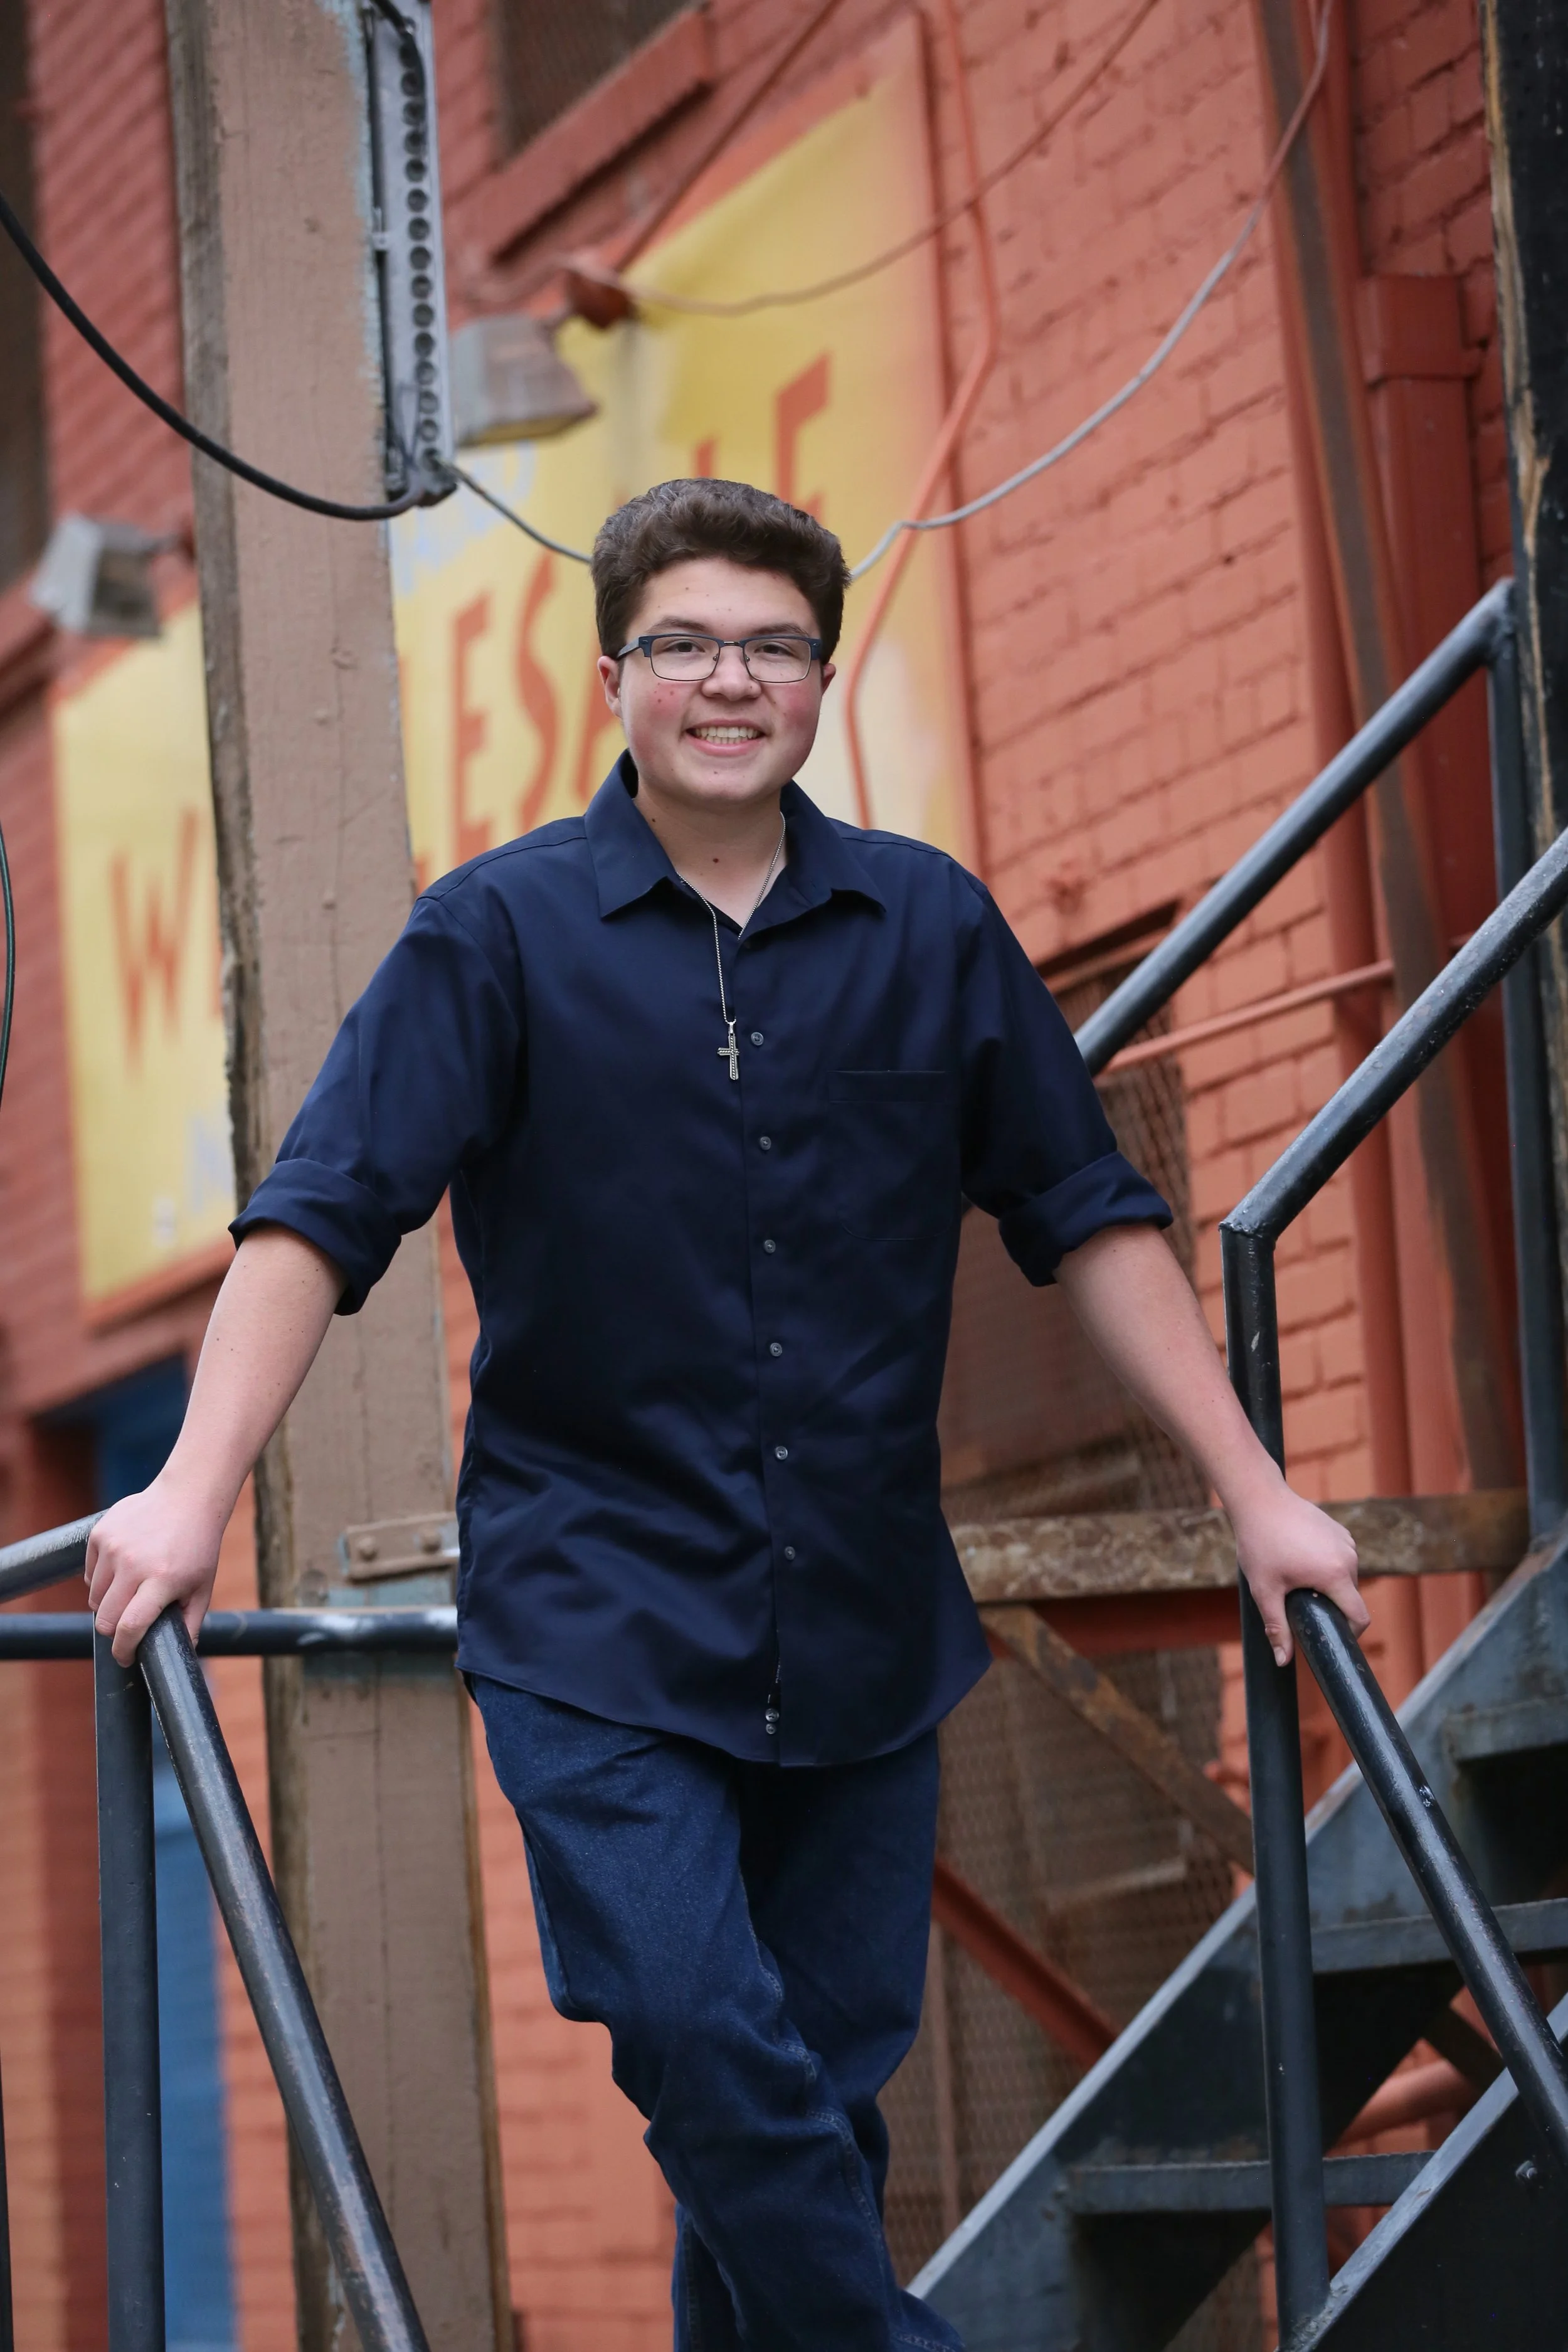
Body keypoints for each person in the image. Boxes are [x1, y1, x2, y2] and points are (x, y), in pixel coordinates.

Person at [86, 478, 1367, 2351]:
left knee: (796, 2116)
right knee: (703, 2033)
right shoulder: (496, 934)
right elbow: (321, 1213)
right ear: (614, 678)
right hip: (595, 1617)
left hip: (862, 1627)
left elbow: (1084, 1213)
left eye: (771, 645)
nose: (727, 678)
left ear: (819, 681)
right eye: (683, 642)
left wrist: (1255, 1489)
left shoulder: (925, 928)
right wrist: (192, 1491)